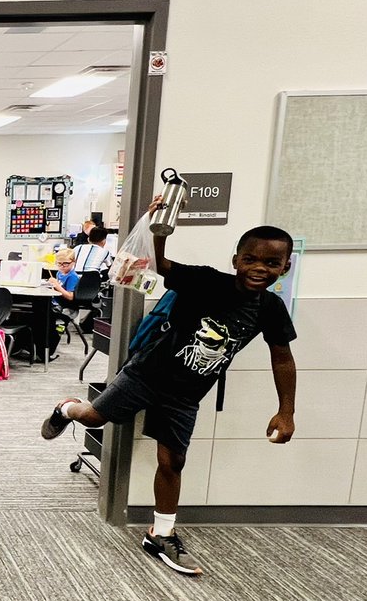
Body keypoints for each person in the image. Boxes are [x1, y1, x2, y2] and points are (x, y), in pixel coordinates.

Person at [40, 199, 297, 575]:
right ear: (236, 260)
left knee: (172, 461)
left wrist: (286, 410)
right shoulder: (209, 282)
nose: (260, 268)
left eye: (272, 263)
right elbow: (161, 266)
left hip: (186, 394)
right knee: (94, 418)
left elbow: (283, 358)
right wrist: (159, 230)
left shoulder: (270, 309)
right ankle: (66, 408)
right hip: (146, 373)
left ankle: (161, 534)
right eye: (251, 259)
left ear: (285, 268)